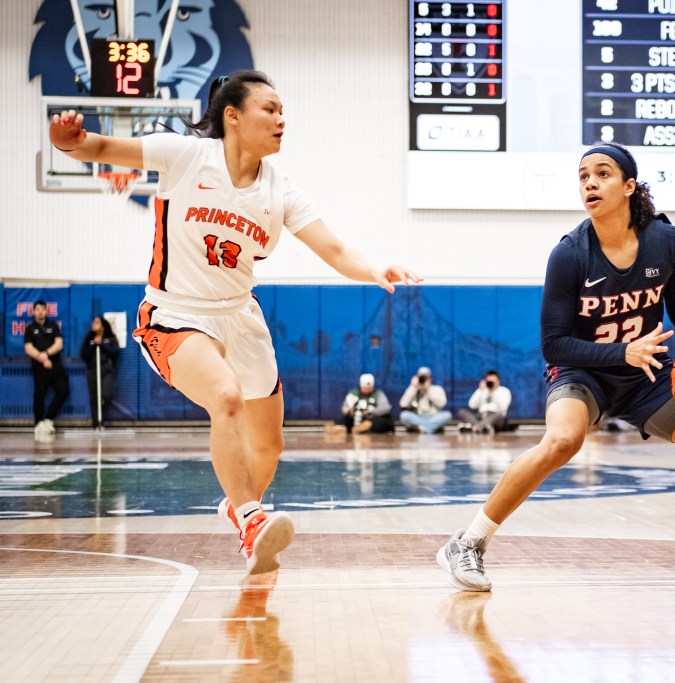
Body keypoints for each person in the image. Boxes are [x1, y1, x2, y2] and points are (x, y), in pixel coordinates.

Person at [49, 70, 420, 575]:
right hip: (175, 313)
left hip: (240, 316)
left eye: (283, 110)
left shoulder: (281, 191)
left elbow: (334, 249)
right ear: (233, 116)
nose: (281, 119)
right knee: (224, 396)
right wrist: (71, 142)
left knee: (269, 445)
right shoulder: (185, 157)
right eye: (269, 108)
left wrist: (374, 268)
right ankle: (249, 519)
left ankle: (237, 504)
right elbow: (101, 147)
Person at [436, 142, 675, 593]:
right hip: (582, 371)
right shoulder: (570, 255)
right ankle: (468, 542)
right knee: (562, 440)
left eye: (602, 173)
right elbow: (554, 346)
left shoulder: (667, 242)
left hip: (646, 374)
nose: (590, 183)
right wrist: (621, 352)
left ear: (628, 185)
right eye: (583, 176)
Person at [24, 300, 70, 439]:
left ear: (46, 311)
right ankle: (38, 422)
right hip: (39, 365)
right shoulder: (30, 328)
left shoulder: (53, 326)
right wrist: (41, 358)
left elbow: (59, 344)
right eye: (37, 309)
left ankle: (49, 419)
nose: (40, 311)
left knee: (63, 391)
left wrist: (47, 354)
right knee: (39, 394)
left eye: (42, 309)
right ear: (33, 312)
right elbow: (28, 348)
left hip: (55, 364)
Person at [79, 315, 120, 429]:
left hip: (107, 370)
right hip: (92, 371)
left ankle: (102, 412)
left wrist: (101, 344)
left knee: (106, 395)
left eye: (97, 322)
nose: (94, 324)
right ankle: (96, 423)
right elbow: (84, 355)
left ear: (103, 326)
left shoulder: (111, 338)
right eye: (93, 323)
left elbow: (115, 352)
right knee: (94, 398)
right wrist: (94, 344)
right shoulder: (89, 339)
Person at [399, 367, 452, 433]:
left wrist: (428, 389)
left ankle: (423, 429)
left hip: (434, 417)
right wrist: (412, 387)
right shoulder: (414, 389)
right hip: (418, 418)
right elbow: (403, 404)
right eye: (421, 378)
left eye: (426, 378)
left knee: (447, 415)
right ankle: (430, 429)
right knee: (404, 415)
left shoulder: (437, 389)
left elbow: (442, 404)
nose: (423, 380)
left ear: (430, 378)